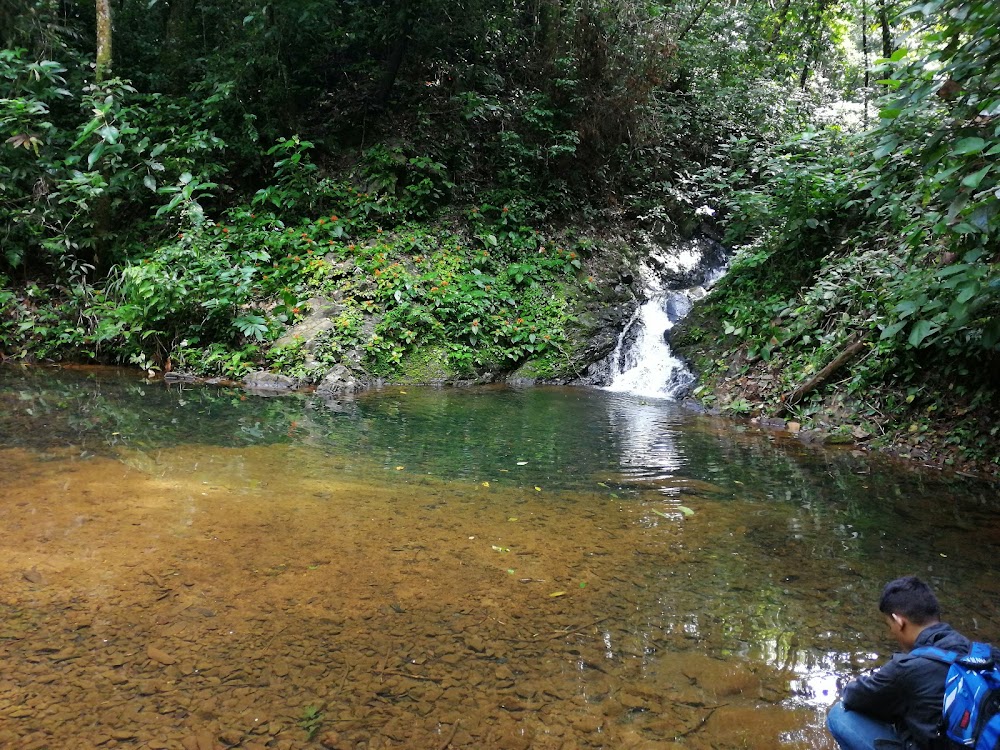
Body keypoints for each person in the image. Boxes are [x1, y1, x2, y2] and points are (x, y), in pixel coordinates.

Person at [827, 575, 995, 750]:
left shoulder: (908, 667)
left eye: (889, 625)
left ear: (899, 622)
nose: (890, 632)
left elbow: (853, 697)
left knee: (839, 716)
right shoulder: (988, 653)